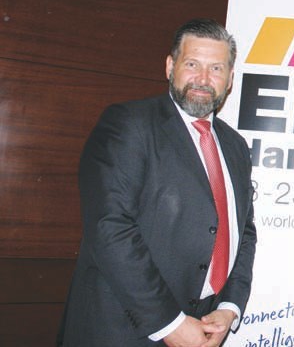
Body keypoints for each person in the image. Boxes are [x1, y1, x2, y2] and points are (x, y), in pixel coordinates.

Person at [58, 19, 257, 347]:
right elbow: (110, 226)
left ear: (230, 78)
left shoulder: (235, 146)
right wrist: (170, 323)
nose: (203, 79)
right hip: (124, 330)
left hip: (204, 325)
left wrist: (228, 307)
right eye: (192, 64)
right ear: (169, 66)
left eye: (216, 68)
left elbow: (243, 232)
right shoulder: (128, 124)